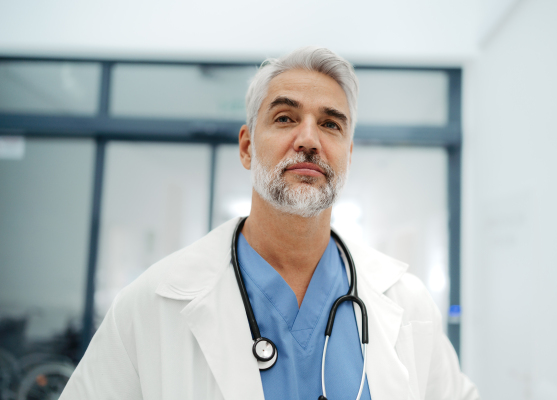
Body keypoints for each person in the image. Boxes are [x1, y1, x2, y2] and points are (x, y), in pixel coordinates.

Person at [59, 46, 480, 400]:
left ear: (347, 155)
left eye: (330, 124)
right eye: (285, 118)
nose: (309, 139)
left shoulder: (409, 306)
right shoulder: (151, 304)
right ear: (247, 147)